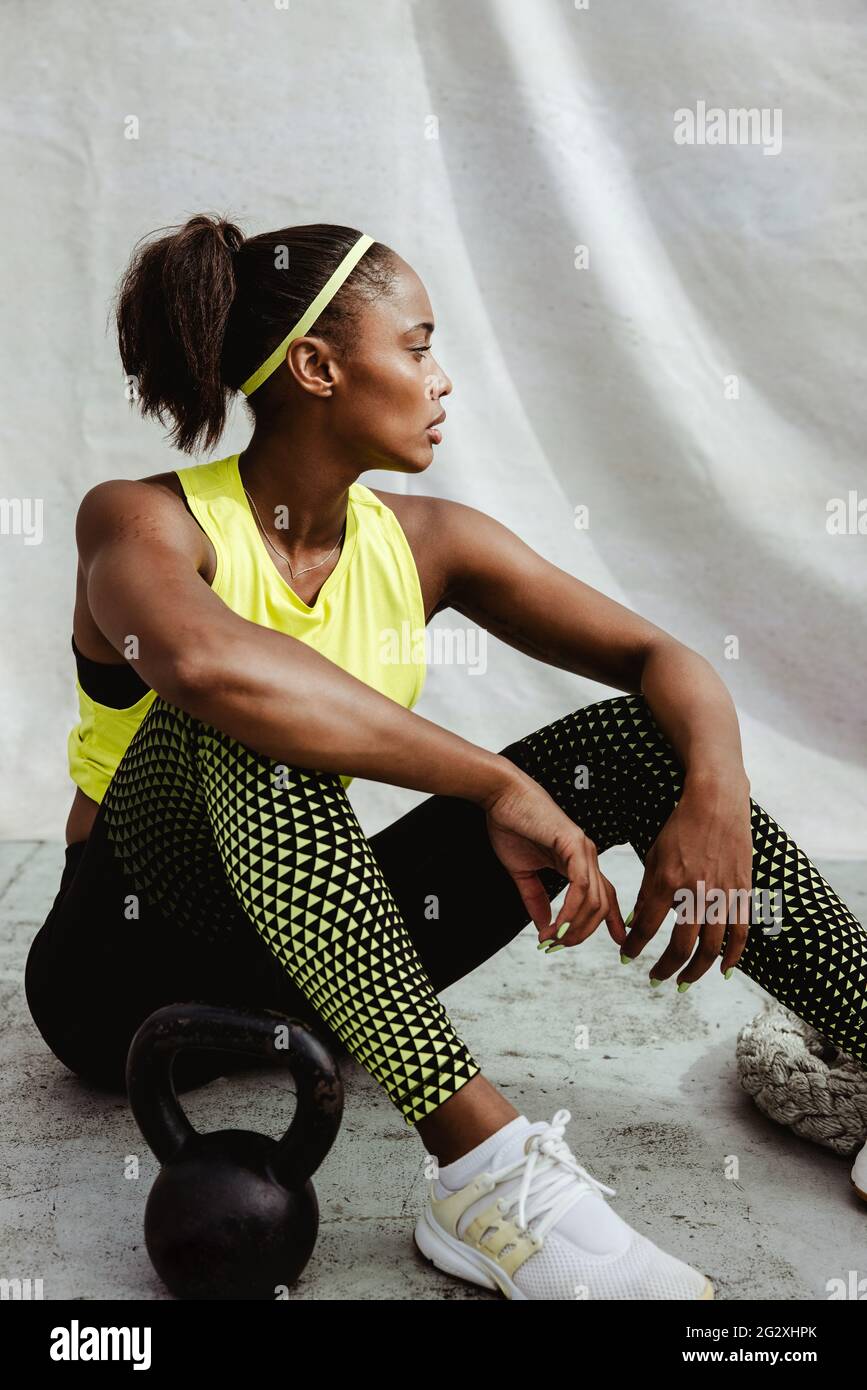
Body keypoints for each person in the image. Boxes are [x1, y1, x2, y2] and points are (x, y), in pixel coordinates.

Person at [24, 216, 866, 1302]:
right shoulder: (142, 523)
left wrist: (714, 788)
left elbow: (660, 659)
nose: (442, 378)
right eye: (416, 346)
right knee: (241, 720)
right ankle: (487, 1176)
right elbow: (208, 665)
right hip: (121, 982)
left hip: (321, 955)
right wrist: (495, 780)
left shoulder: (429, 542)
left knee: (638, 740)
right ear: (321, 366)